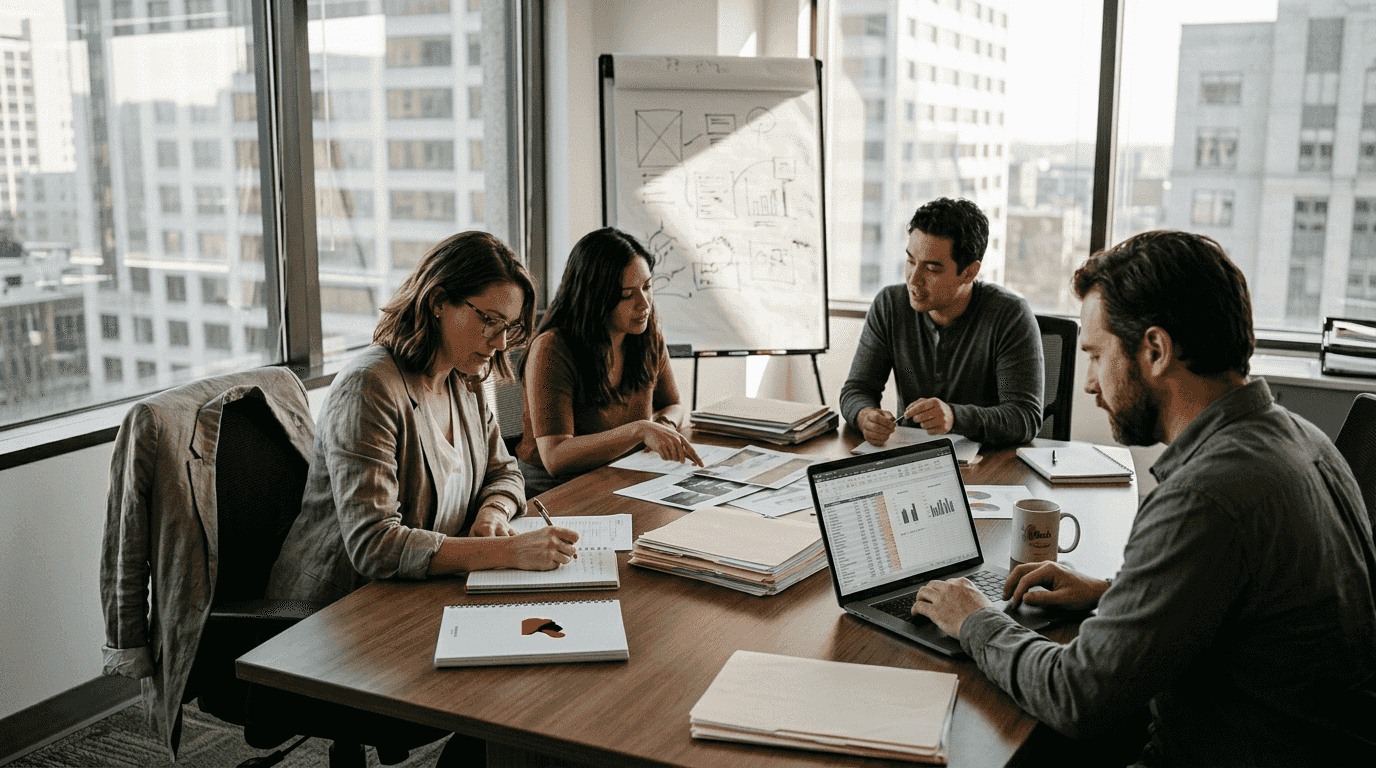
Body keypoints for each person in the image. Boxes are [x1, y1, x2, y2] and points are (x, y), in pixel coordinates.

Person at [912, 230, 1376, 766]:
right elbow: (1247, 602)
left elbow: (1075, 696)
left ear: (1155, 350)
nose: (1089, 384)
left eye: (1095, 355)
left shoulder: (1205, 496)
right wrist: (1114, 593)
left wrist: (974, 619)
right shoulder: (1301, 437)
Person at [268, 231, 579, 607]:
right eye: (490, 321)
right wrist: (510, 552)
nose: (500, 343)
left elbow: (505, 472)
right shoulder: (369, 388)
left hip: (420, 595)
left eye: (508, 327)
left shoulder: (463, 379)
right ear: (437, 301)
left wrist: (493, 512)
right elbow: (374, 545)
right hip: (339, 610)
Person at [840, 197, 1044, 447]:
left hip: (988, 466)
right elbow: (857, 389)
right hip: (912, 459)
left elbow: (1024, 416)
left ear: (969, 272)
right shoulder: (890, 305)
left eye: (932, 269)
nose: (914, 279)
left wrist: (955, 417)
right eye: (911, 261)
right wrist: (865, 416)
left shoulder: (1008, 315)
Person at [516, 227, 701, 497]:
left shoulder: (646, 335)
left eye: (647, 287)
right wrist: (640, 430)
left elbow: (672, 405)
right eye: (627, 295)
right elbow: (555, 457)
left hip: (621, 472)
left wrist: (664, 427)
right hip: (555, 490)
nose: (644, 304)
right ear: (595, 298)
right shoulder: (552, 348)